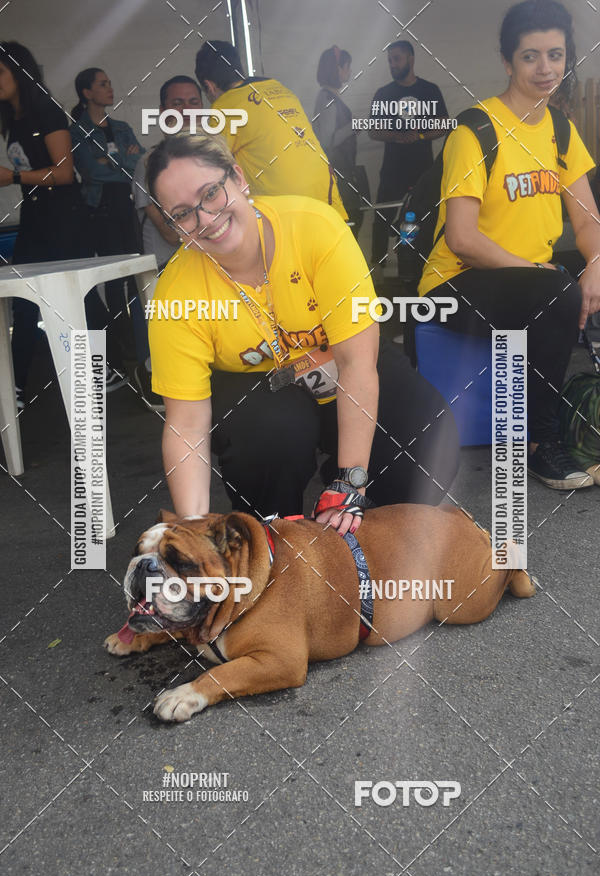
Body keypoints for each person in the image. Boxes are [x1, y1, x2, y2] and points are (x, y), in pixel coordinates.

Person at [144, 132, 459, 534]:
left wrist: (351, 480)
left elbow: (357, 364)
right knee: (269, 432)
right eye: (183, 213)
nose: (205, 219)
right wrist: (192, 529)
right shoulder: (176, 292)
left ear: (238, 178)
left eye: (210, 193)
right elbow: (186, 424)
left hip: (342, 368)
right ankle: (278, 529)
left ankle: (344, 477)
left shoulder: (314, 226)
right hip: (265, 397)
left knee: (425, 455)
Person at [418, 0, 600, 490]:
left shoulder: (561, 130)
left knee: (572, 283)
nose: (546, 69)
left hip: (527, 284)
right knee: (556, 289)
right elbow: (462, 239)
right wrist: (548, 278)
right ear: (507, 61)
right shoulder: (475, 130)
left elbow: (588, 222)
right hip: (453, 286)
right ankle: (541, 445)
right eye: (530, 56)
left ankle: (589, 421)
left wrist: (595, 268)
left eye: (556, 55)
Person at [0, 42, 112, 409]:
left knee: (80, 297)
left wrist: (14, 176)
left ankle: (102, 370)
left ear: (19, 72)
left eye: (0, 72)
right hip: (35, 218)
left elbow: (65, 172)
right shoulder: (13, 121)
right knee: (24, 301)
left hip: (64, 218)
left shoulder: (46, 111)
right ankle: (15, 387)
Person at [194, 41, 347, 221]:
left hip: (287, 215)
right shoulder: (280, 89)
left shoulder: (225, 106)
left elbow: (208, 166)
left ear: (209, 86)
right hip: (327, 200)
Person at [131, 75, 203, 411]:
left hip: (207, 267)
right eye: (177, 103)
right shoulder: (147, 164)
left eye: (193, 102)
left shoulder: (214, 158)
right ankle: (149, 375)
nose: (186, 110)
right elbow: (171, 233)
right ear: (162, 111)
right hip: (166, 272)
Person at [70, 68, 145, 390]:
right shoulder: (77, 131)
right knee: (114, 281)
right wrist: (121, 163)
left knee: (136, 275)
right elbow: (91, 172)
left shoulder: (122, 127)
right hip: (100, 210)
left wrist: (111, 163)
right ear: (87, 93)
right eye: (103, 84)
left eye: (110, 82)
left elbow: (139, 163)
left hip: (126, 207)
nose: (110, 88)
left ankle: (138, 344)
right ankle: (122, 347)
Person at [369, 41, 449, 278]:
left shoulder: (430, 90)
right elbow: (373, 130)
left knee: (426, 218)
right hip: (392, 171)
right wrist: (397, 136)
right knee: (382, 218)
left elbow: (444, 123)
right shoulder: (383, 94)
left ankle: (427, 264)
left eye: (397, 59)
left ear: (411, 59)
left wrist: (421, 135)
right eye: (390, 60)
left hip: (423, 170)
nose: (393, 65)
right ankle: (377, 267)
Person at [313, 46, 364, 235]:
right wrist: (353, 126)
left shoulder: (329, 97)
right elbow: (327, 140)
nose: (349, 71)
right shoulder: (327, 98)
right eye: (347, 67)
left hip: (341, 173)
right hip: (338, 175)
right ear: (337, 69)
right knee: (350, 223)